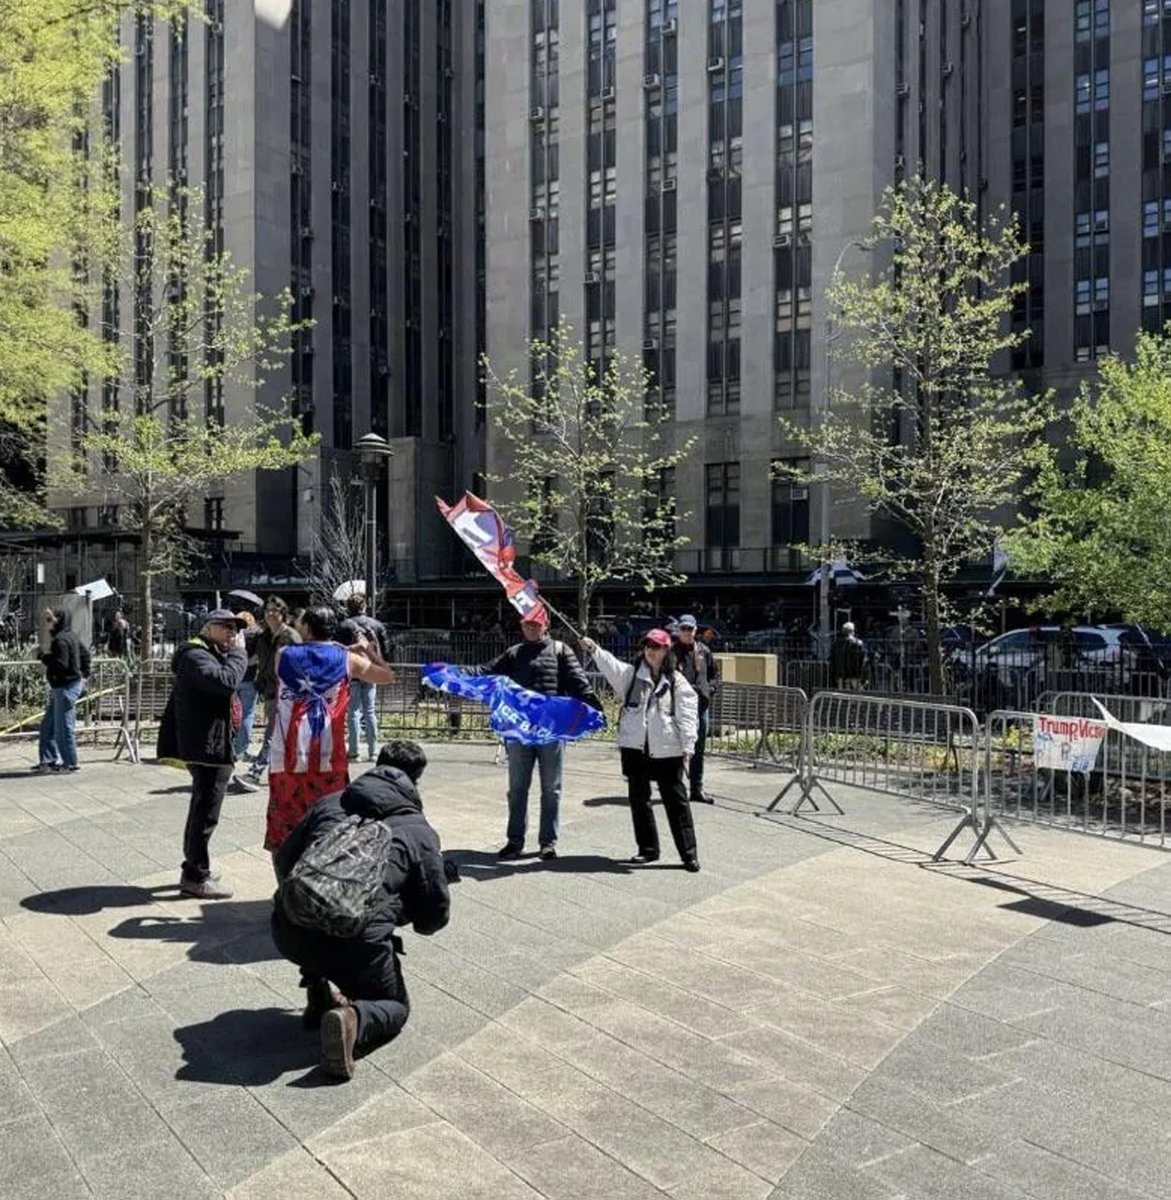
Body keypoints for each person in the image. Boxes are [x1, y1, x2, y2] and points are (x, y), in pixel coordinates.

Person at [271, 739, 450, 1080]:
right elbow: (432, 918)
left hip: (289, 931)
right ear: (415, 781)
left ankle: (318, 989)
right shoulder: (418, 832)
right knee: (395, 1006)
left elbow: (284, 861)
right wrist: (401, 906)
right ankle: (351, 1021)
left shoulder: (329, 802)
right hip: (358, 948)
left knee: (319, 912)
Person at [468, 608, 600, 861]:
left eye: (535, 624)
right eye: (527, 624)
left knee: (552, 788)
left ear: (546, 625)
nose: (531, 628)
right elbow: (486, 671)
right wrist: (453, 673)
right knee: (517, 788)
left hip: (551, 731)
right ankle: (514, 841)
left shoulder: (561, 650)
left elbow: (578, 682)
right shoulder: (514, 653)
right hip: (519, 731)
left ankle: (548, 842)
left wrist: (595, 709)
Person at [263, 605, 397, 853]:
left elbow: (306, 656)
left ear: (306, 628)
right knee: (330, 818)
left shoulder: (284, 654)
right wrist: (368, 651)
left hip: (288, 752)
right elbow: (388, 676)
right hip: (328, 753)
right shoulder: (349, 660)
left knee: (286, 821)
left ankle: (286, 879)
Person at [580, 629, 700, 871]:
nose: (650, 650)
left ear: (666, 650)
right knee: (639, 801)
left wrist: (688, 748)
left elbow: (688, 717)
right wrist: (594, 649)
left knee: (676, 803)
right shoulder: (632, 675)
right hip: (635, 748)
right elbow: (611, 666)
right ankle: (647, 849)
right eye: (647, 645)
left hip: (668, 749)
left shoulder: (677, 681)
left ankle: (689, 854)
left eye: (656, 646)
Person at [156, 609, 248, 899]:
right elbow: (226, 682)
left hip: (214, 743)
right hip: (206, 747)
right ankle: (196, 874)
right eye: (226, 627)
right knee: (206, 812)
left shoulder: (209, 652)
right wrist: (239, 656)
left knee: (202, 808)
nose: (232, 634)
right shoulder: (194, 656)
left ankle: (194, 864)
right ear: (208, 628)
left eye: (235, 629)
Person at [231, 597, 300, 792]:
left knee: (272, 734)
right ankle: (296, 773)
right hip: (268, 690)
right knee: (283, 737)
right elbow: (256, 660)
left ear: (283, 613)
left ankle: (254, 773)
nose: (270, 614)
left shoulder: (291, 637)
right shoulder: (263, 637)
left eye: (275, 611)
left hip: (286, 692)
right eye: (268, 611)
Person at [34, 607, 91, 774]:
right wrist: (84, 674)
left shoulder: (61, 640)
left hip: (64, 687)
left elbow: (61, 664)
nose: (48, 624)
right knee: (49, 725)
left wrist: (45, 658)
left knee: (62, 728)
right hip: (66, 686)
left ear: (57, 621)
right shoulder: (70, 636)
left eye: (50, 621)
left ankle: (70, 763)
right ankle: (49, 760)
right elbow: (85, 655)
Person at [337, 593, 391, 763]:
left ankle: (354, 752)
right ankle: (373, 752)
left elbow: (337, 649)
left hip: (352, 671)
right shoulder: (376, 625)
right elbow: (386, 648)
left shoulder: (343, 626)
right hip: (370, 670)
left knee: (353, 712)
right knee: (370, 711)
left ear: (347, 607)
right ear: (364, 606)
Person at [672, 614, 720, 805]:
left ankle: (696, 789)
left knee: (698, 748)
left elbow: (714, 674)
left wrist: (711, 689)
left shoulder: (704, 651)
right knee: (677, 749)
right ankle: (675, 788)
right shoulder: (671, 652)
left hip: (701, 707)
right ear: (678, 630)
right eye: (683, 629)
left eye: (689, 629)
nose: (686, 632)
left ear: (695, 630)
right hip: (679, 708)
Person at [232, 611, 260, 761]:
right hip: (250, 678)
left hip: (234, 678)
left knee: (232, 713)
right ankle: (241, 749)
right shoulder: (256, 635)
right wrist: (249, 663)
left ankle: (230, 746)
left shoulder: (233, 634)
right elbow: (258, 657)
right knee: (247, 714)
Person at [830, 621, 869, 690]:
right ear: (852, 631)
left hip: (840, 675)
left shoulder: (836, 644)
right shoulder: (858, 643)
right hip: (855, 675)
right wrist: (864, 678)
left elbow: (833, 660)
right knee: (855, 695)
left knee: (841, 694)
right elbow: (863, 661)